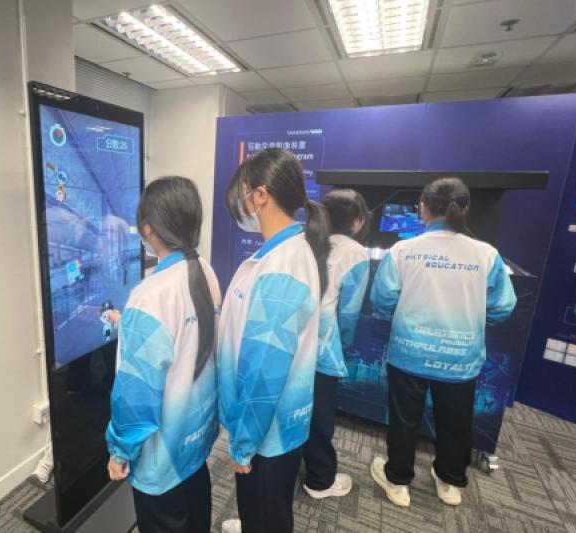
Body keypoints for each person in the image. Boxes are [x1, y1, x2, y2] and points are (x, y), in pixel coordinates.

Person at [369, 177, 517, 508]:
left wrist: (397, 316)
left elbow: (382, 299)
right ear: (465, 209)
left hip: (409, 352)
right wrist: (474, 321)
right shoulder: (487, 254)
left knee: (404, 419)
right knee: (456, 421)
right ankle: (450, 482)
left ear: (422, 208)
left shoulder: (402, 251)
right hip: (461, 357)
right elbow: (503, 307)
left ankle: (398, 481)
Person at [218, 148, 330, 533]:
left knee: (266, 513)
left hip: (266, 430)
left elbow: (265, 367)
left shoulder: (283, 264)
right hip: (271, 424)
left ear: (260, 195)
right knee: (265, 512)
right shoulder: (285, 252)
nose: (240, 205)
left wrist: (244, 441)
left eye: (242, 194)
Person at [105, 176, 222, 533]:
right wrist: (130, 323)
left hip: (162, 460)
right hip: (195, 440)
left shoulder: (149, 295)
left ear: (147, 228)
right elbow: (184, 336)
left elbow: (136, 395)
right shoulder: (204, 270)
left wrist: (120, 450)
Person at [302, 189, 371, 500]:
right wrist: (343, 343)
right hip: (322, 348)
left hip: (290, 343)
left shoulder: (303, 240)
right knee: (320, 415)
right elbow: (349, 312)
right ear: (357, 221)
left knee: (289, 407)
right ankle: (319, 479)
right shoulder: (355, 252)